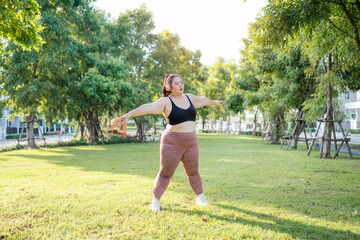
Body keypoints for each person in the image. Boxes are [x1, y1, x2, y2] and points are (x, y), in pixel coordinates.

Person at [112, 74, 222, 211]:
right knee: (165, 173)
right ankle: (156, 200)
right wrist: (128, 115)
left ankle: (200, 197)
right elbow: (148, 107)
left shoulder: (189, 97)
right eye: (177, 83)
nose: (181, 85)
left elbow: (202, 100)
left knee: (193, 172)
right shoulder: (166, 102)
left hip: (191, 142)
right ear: (169, 87)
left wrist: (214, 102)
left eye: (182, 82)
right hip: (172, 142)